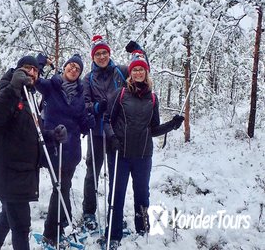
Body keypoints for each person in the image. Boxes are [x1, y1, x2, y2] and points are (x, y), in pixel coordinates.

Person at [102, 48, 184, 249]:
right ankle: (113, 234)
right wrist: (112, 138)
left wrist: (172, 125)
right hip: (120, 153)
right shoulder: (120, 94)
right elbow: (106, 121)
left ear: (146, 73)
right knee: (117, 194)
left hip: (143, 155)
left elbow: (153, 129)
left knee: (142, 194)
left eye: (142, 70)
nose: (138, 73)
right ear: (130, 73)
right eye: (135, 70)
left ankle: (142, 229)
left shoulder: (153, 98)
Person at [35, 54, 95, 247]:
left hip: (73, 150)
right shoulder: (51, 86)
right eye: (71, 65)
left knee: (64, 187)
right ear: (65, 67)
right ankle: (50, 233)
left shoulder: (80, 93)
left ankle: (62, 226)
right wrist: (40, 63)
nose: (74, 69)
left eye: (78, 68)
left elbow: (81, 121)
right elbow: (34, 80)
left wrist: (90, 121)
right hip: (54, 146)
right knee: (59, 187)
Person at [0, 55, 42, 250]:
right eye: (27, 68)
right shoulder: (7, 92)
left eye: (35, 70)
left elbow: (31, 132)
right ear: (18, 70)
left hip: (22, 172)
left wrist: (52, 135)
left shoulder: (30, 99)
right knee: (21, 226)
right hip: (10, 172)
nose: (31, 72)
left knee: (8, 217)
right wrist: (13, 89)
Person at [81, 35, 128, 230]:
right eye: (98, 54)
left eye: (104, 53)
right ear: (93, 57)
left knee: (116, 174)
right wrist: (96, 107)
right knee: (93, 172)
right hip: (97, 132)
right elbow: (84, 104)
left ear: (109, 54)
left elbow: (142, 70)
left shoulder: (121, 72)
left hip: (116, 132)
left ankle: (114, 213)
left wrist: (139, 52)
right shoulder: (88, 78)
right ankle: (89, 212)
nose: (101, 57)